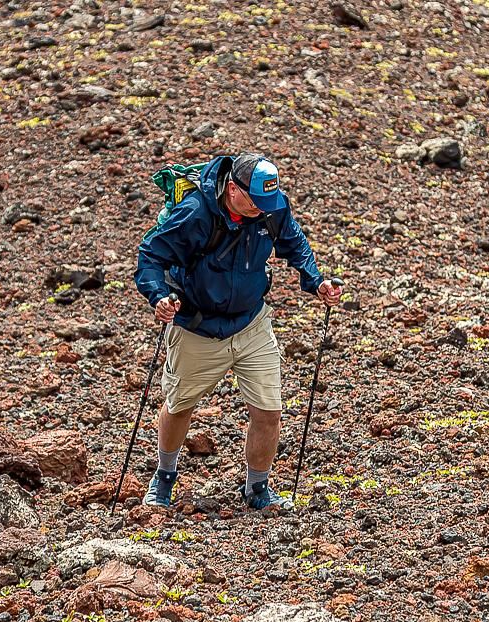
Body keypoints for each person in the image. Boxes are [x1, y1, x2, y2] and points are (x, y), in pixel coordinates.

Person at [133, 153, 342, 510]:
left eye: (267, 204)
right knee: (180, 405)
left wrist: (316, 281)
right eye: (255, 204)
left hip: (251, 321)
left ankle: (257, 488)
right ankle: (164, 475)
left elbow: (294, 242)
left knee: (268, 410)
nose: (263, 211)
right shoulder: (196, 214)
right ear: (233, 189)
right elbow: (151, 257)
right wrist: (159, 297)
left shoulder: (270, 206)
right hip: (198, 326)